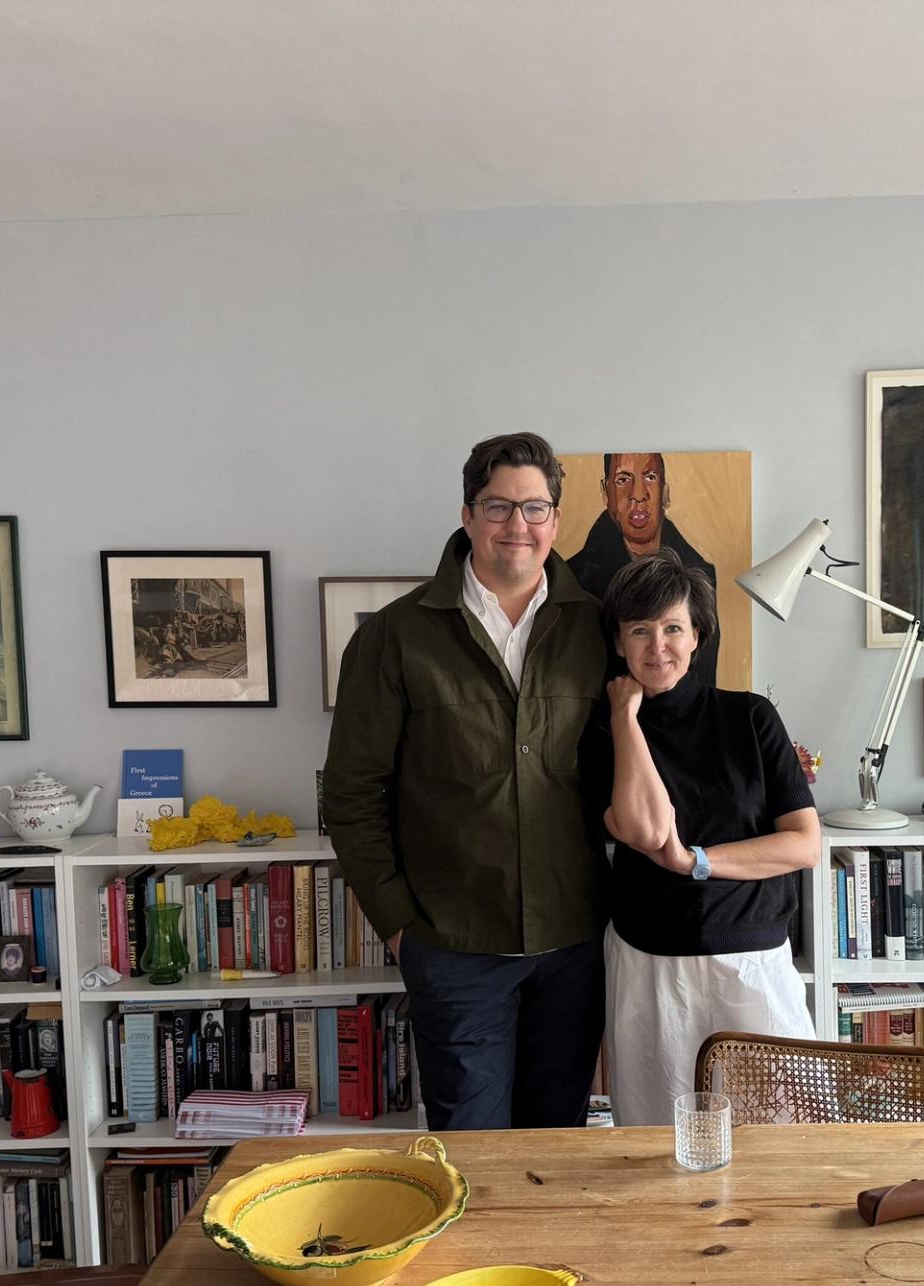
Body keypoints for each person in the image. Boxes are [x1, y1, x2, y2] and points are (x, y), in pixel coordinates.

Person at [324, 432, 610, 1130]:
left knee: (557, 1144)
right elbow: (351, 795)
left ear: (557, 520)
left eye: (535, 508)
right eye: (499, 506)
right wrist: (398, 926)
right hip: (453, 950)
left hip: (573, 946)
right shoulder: (394, 638)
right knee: (471, 1151)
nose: (518, 525)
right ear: (467, 515)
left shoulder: (600, 628)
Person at [581, 549, 821, 1126]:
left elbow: (803, 844)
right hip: (650, 967)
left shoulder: (750, 718)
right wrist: (624, 719)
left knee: (784, 1135)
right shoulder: (600, 733)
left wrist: (697, 861)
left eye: (672, 628)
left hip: (754, 963)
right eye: (639, 629)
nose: (656, 645)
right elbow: (644, 829)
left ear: (697, 637)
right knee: (658, 1144)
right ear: (618, 642)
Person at [566, 453, 720, 685]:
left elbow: (705, 678)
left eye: (650, 477)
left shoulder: (700, 576)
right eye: (623, 480)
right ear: (605, 492)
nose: (638, 495)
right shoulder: (573, 578)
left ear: (665, 493)